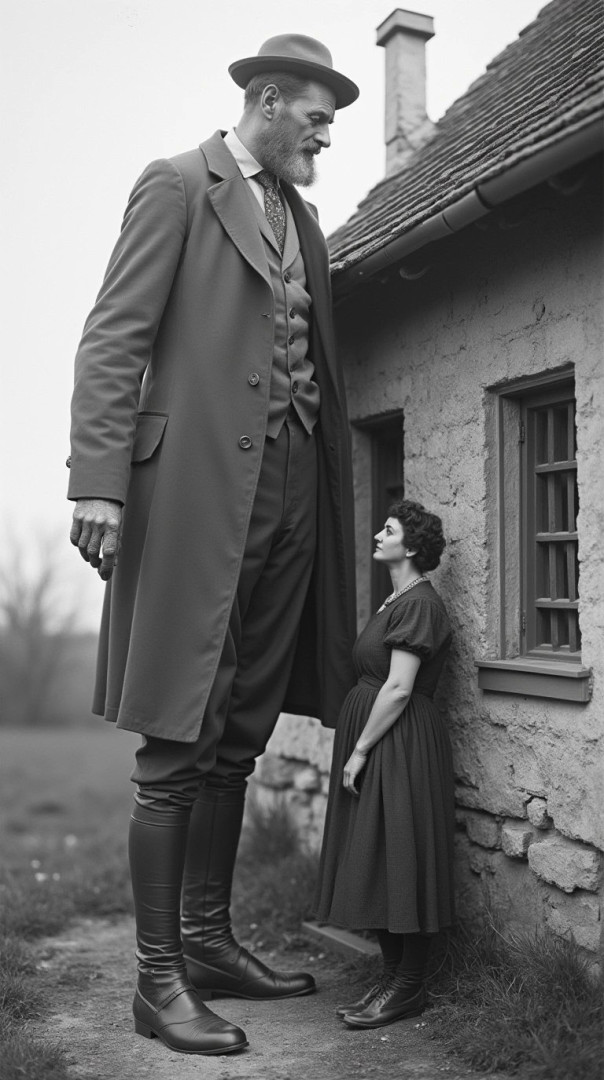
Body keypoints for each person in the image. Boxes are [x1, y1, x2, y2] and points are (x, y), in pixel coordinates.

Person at [67, 35, 359, 1057]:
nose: (329, 133)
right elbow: (114, 339)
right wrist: (98, 486)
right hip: (192, 492)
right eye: (318, 115)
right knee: (177, 734)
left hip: (289, 492)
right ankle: (157, 981)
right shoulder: (177, 186)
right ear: (268, 101)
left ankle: (206, 939)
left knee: (240, 726)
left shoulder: (306, 221)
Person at [314, 499, 455, 1029]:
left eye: (388, 530)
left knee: (400, 851)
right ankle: (392, 976)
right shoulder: (394, 599)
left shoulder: (418, 604)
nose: (377, 534)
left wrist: (360, 749)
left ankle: (408, 985)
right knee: (375, 853)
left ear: (411, 546)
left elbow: (398, 688)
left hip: (397, 741)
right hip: (381, 737)